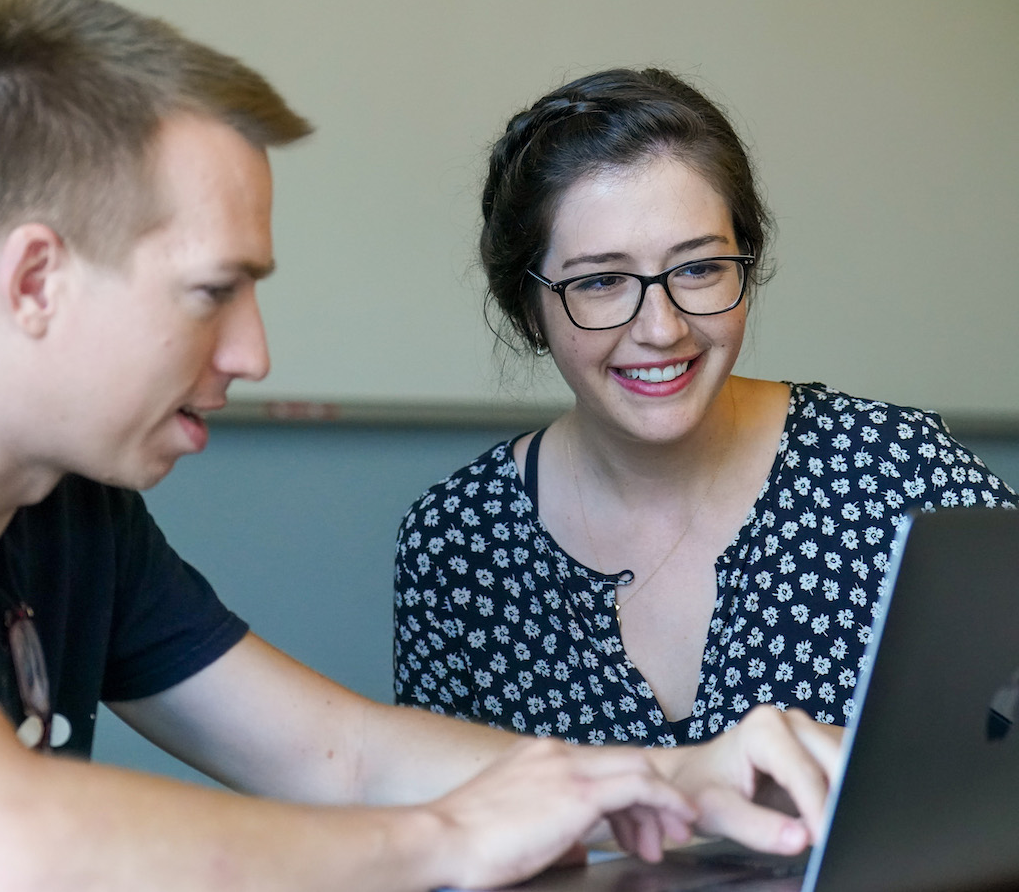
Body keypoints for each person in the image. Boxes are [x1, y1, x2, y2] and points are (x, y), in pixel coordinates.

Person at [0, 0, 840, 892]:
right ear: (35, 277)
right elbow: (0, 848)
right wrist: (451, 842)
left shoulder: (68, 512)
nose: (252, 352)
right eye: (213, 291)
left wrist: (664, 780)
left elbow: (344, 757)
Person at [393, 68, 1019, 750]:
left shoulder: (893, 472)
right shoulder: (456, 541)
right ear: (530, 307)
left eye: (698, 268)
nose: (662, 328)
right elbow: (445, 824)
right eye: (601, 281)